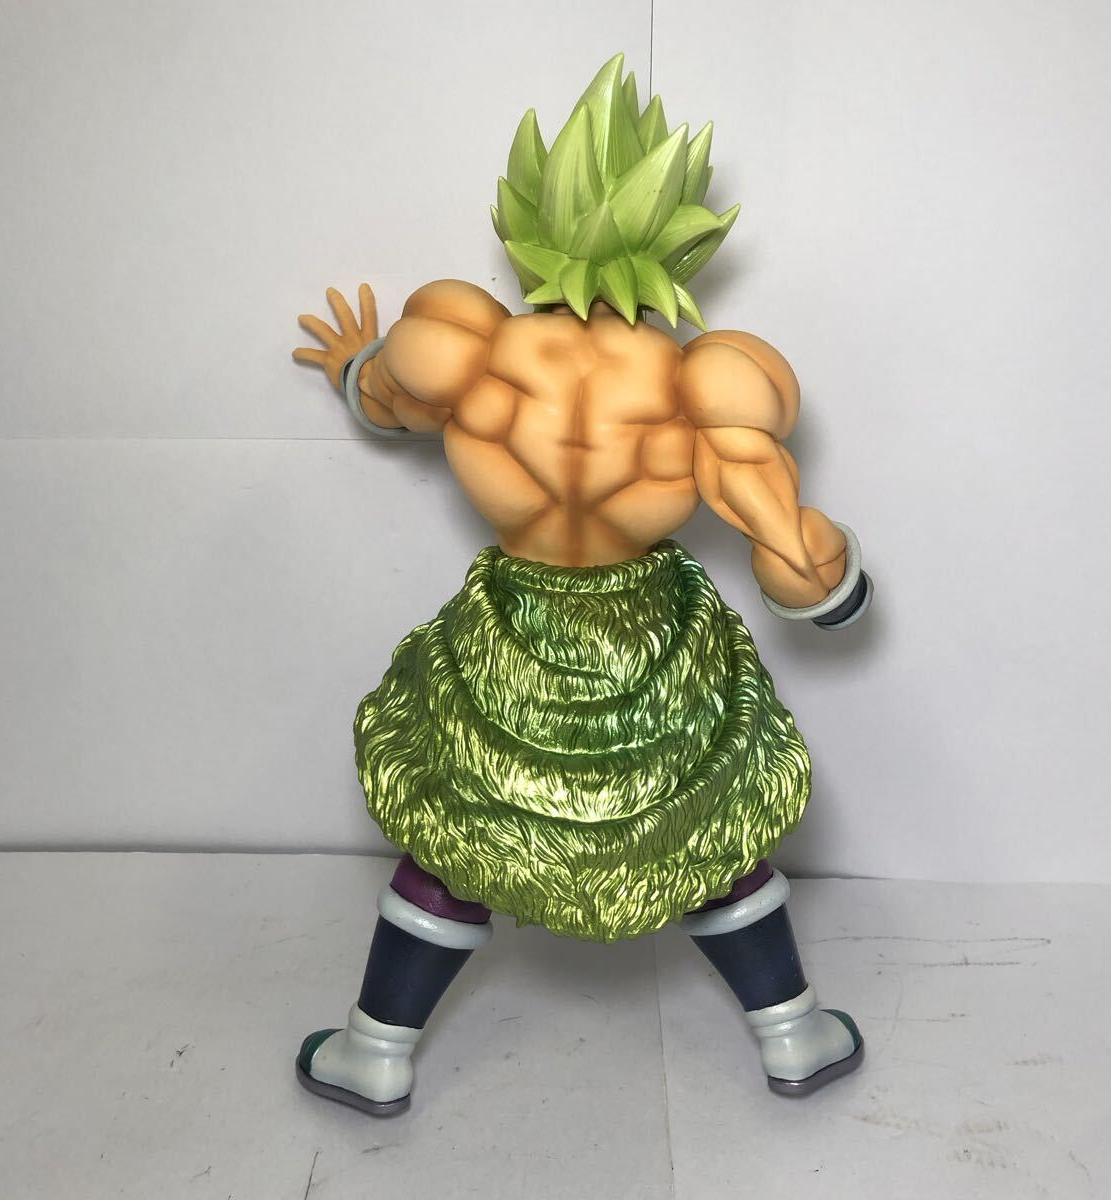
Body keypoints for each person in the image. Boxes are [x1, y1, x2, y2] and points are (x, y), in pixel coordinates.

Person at [290, 54, 872, 1117]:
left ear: (527, 219)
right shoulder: (701, 382)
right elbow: (801, 572)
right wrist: (828, 572)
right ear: (682, 237)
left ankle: (374, 1051)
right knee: (701, 828)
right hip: (647, 635)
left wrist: (348, 365)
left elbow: (385, 394)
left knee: (460, 829)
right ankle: (793, 1035)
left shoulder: (465, 342)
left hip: (511, 631)